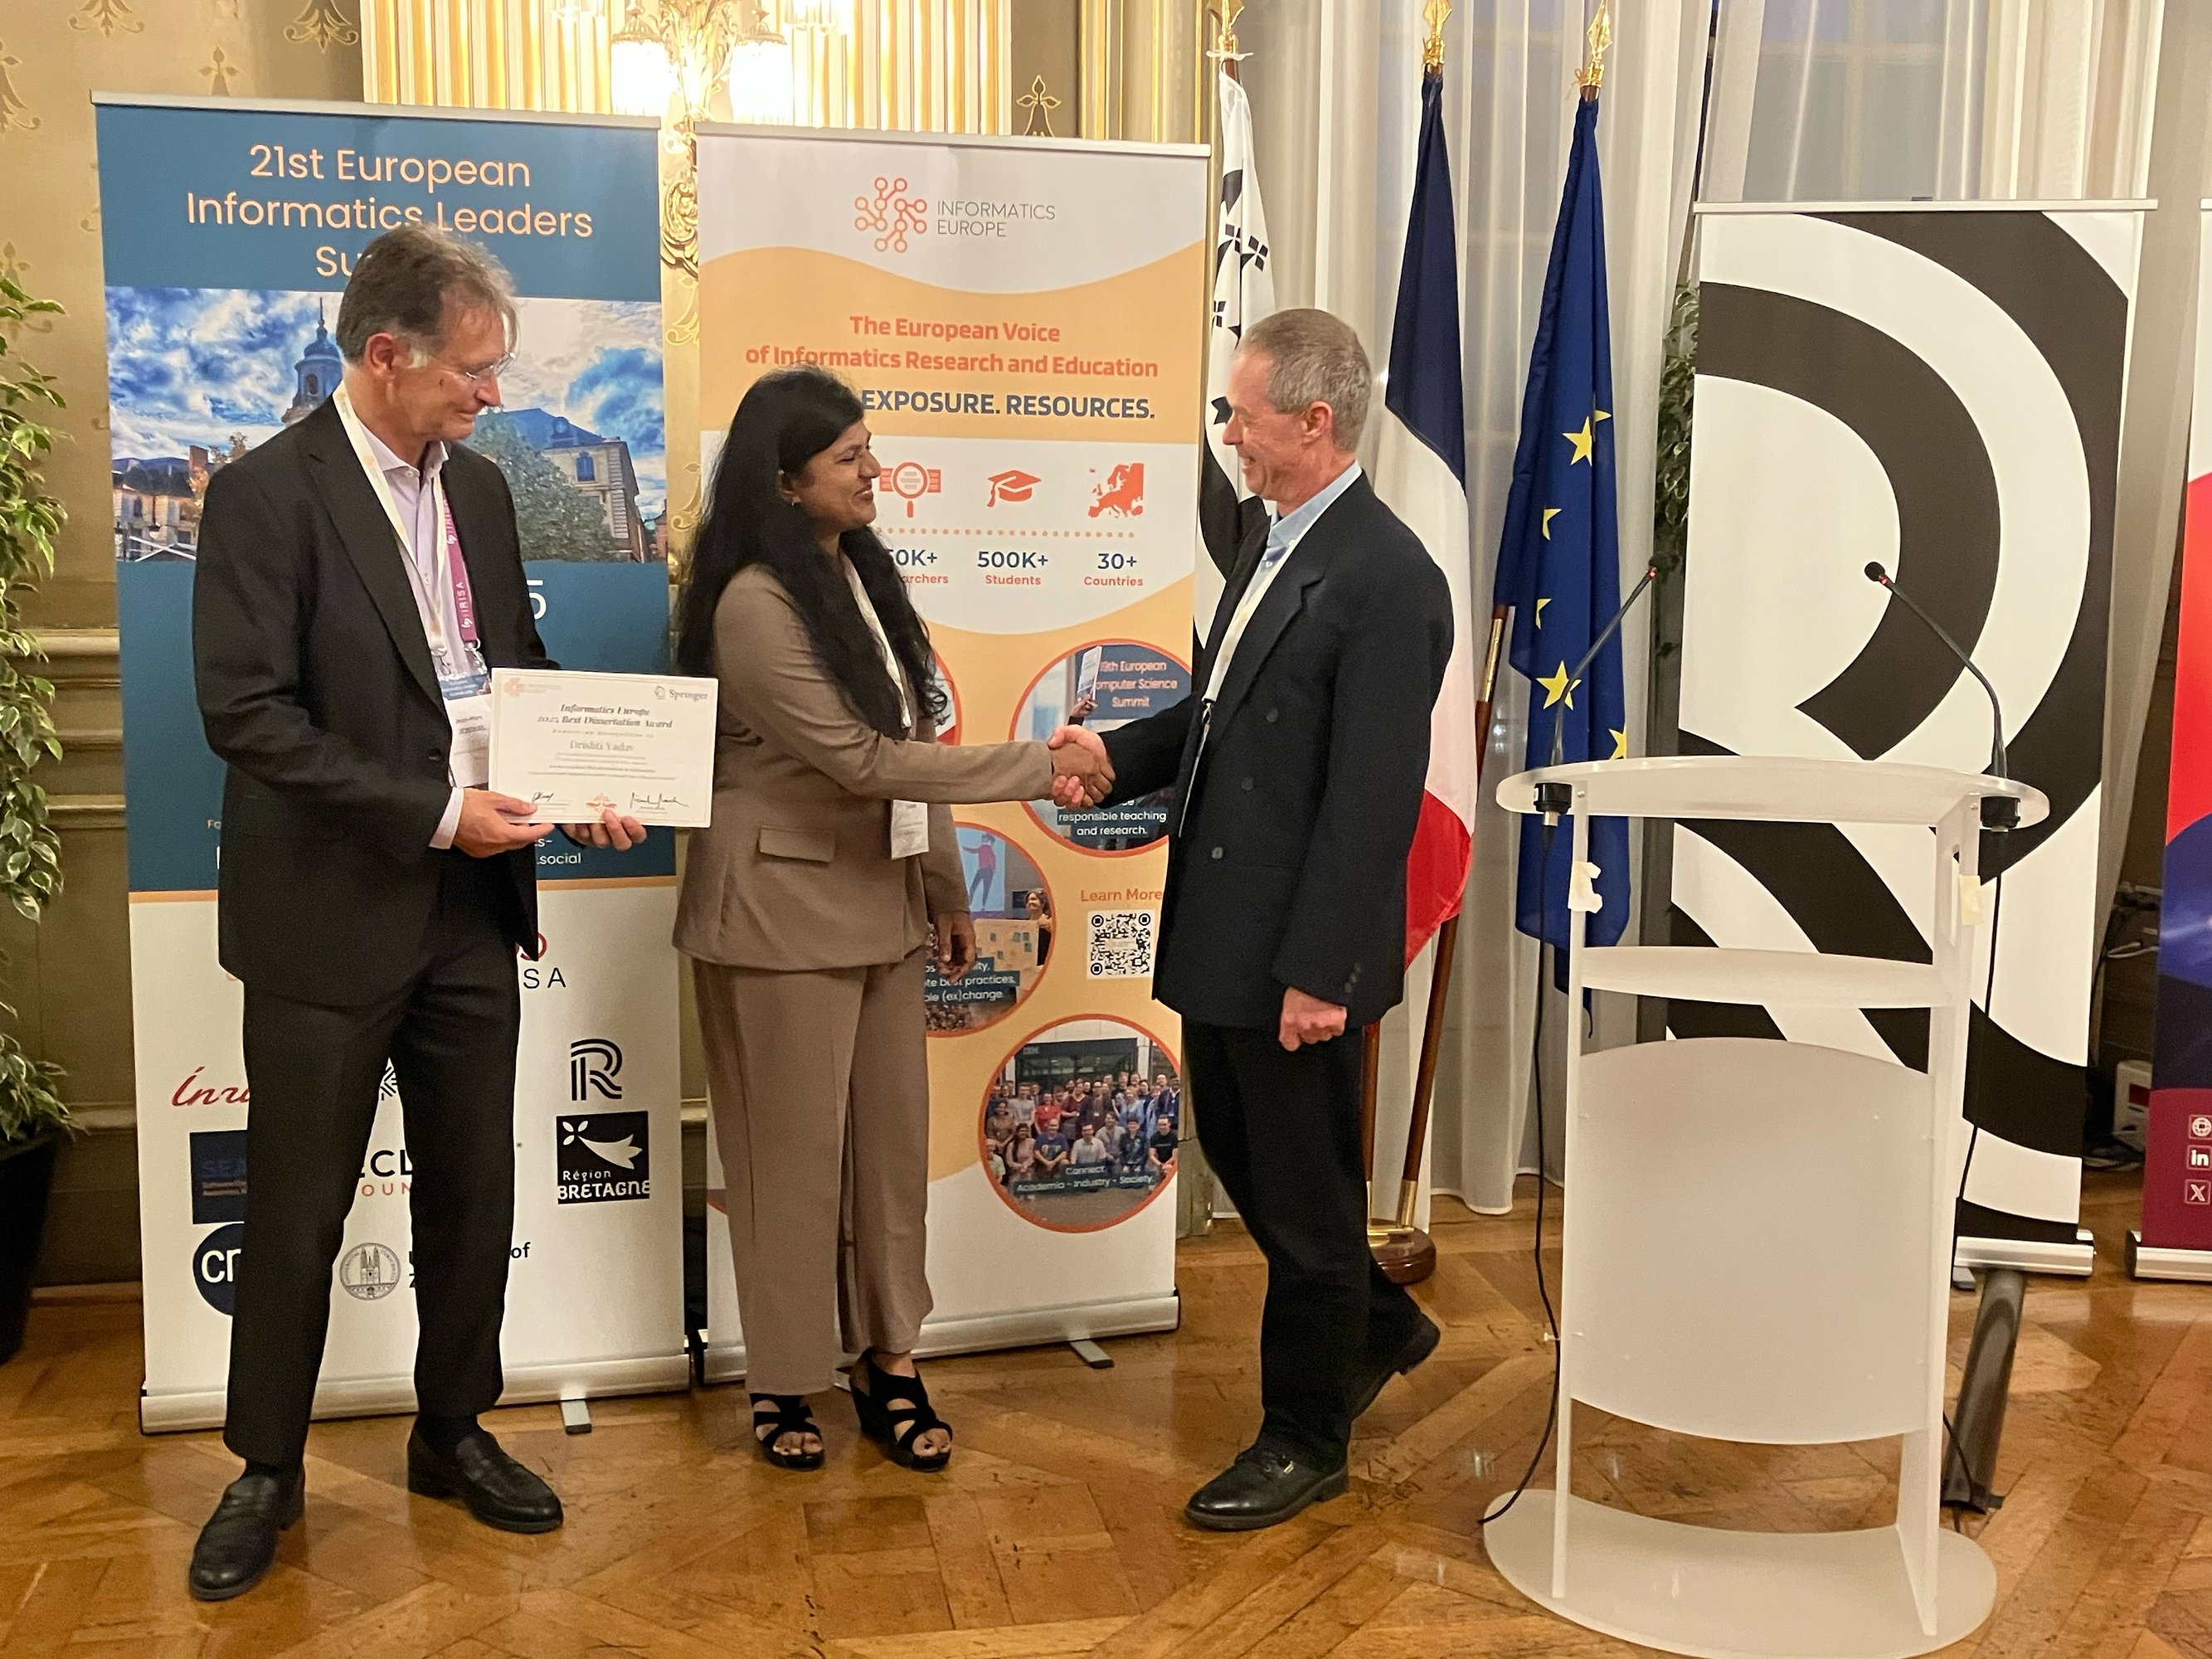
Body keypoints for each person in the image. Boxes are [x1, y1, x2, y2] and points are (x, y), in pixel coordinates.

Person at [184, 225, 649, 1601]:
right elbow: (246, 715)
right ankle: (266, 1468)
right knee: (296, 1211)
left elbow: (513, 668)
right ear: (386, 355)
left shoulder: (483, 494)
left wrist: (587, 779)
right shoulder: (266, 495)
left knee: (470, 1191)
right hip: (328, 916)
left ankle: (453, 1431)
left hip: (470, 911)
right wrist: (440, 811)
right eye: (472, 371)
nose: (491, 395)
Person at [1053, 308, 1453, 1530]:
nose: (1229, 434)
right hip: (1225, 931)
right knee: (1245, 1159)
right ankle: (1375, 1324)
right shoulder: (1280, 542)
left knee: (1308, 1202)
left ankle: (1305, 1439)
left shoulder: (1388, 577)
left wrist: (1323, 972)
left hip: (1295, 954)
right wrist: (1119, 754)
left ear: (1315, 421)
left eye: (1242, 414)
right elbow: (1223, 714)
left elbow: (1371, 799)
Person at [672, 364, 1111, 1477]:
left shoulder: (857, 575)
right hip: (776, 917)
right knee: (790, 1165)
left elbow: (911, 741)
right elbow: (861, 760)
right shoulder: (754, 603)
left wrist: (946, 888)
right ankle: (783, 1379)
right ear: (786, 482)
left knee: (888, 1159)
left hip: (881, 909)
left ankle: (890, 1360)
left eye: (870, 449)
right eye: (850, 458)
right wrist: (1041, 767)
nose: (877, 472)